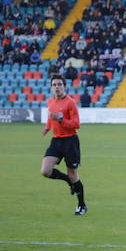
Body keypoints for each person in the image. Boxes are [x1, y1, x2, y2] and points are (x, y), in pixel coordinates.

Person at [40, 73, 87, 215]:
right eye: (54, 85)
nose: (57, 87)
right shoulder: (50, 102)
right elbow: (51, 117)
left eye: (59, 84)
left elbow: (76, 124)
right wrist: (47, 127)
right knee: (45, 171)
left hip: (70, 141)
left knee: (73, 174)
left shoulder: (70, 103)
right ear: (51, 87)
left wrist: (61, 121)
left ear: (64, 86)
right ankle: (67, 180)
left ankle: (82, 205)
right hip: (56, 141)